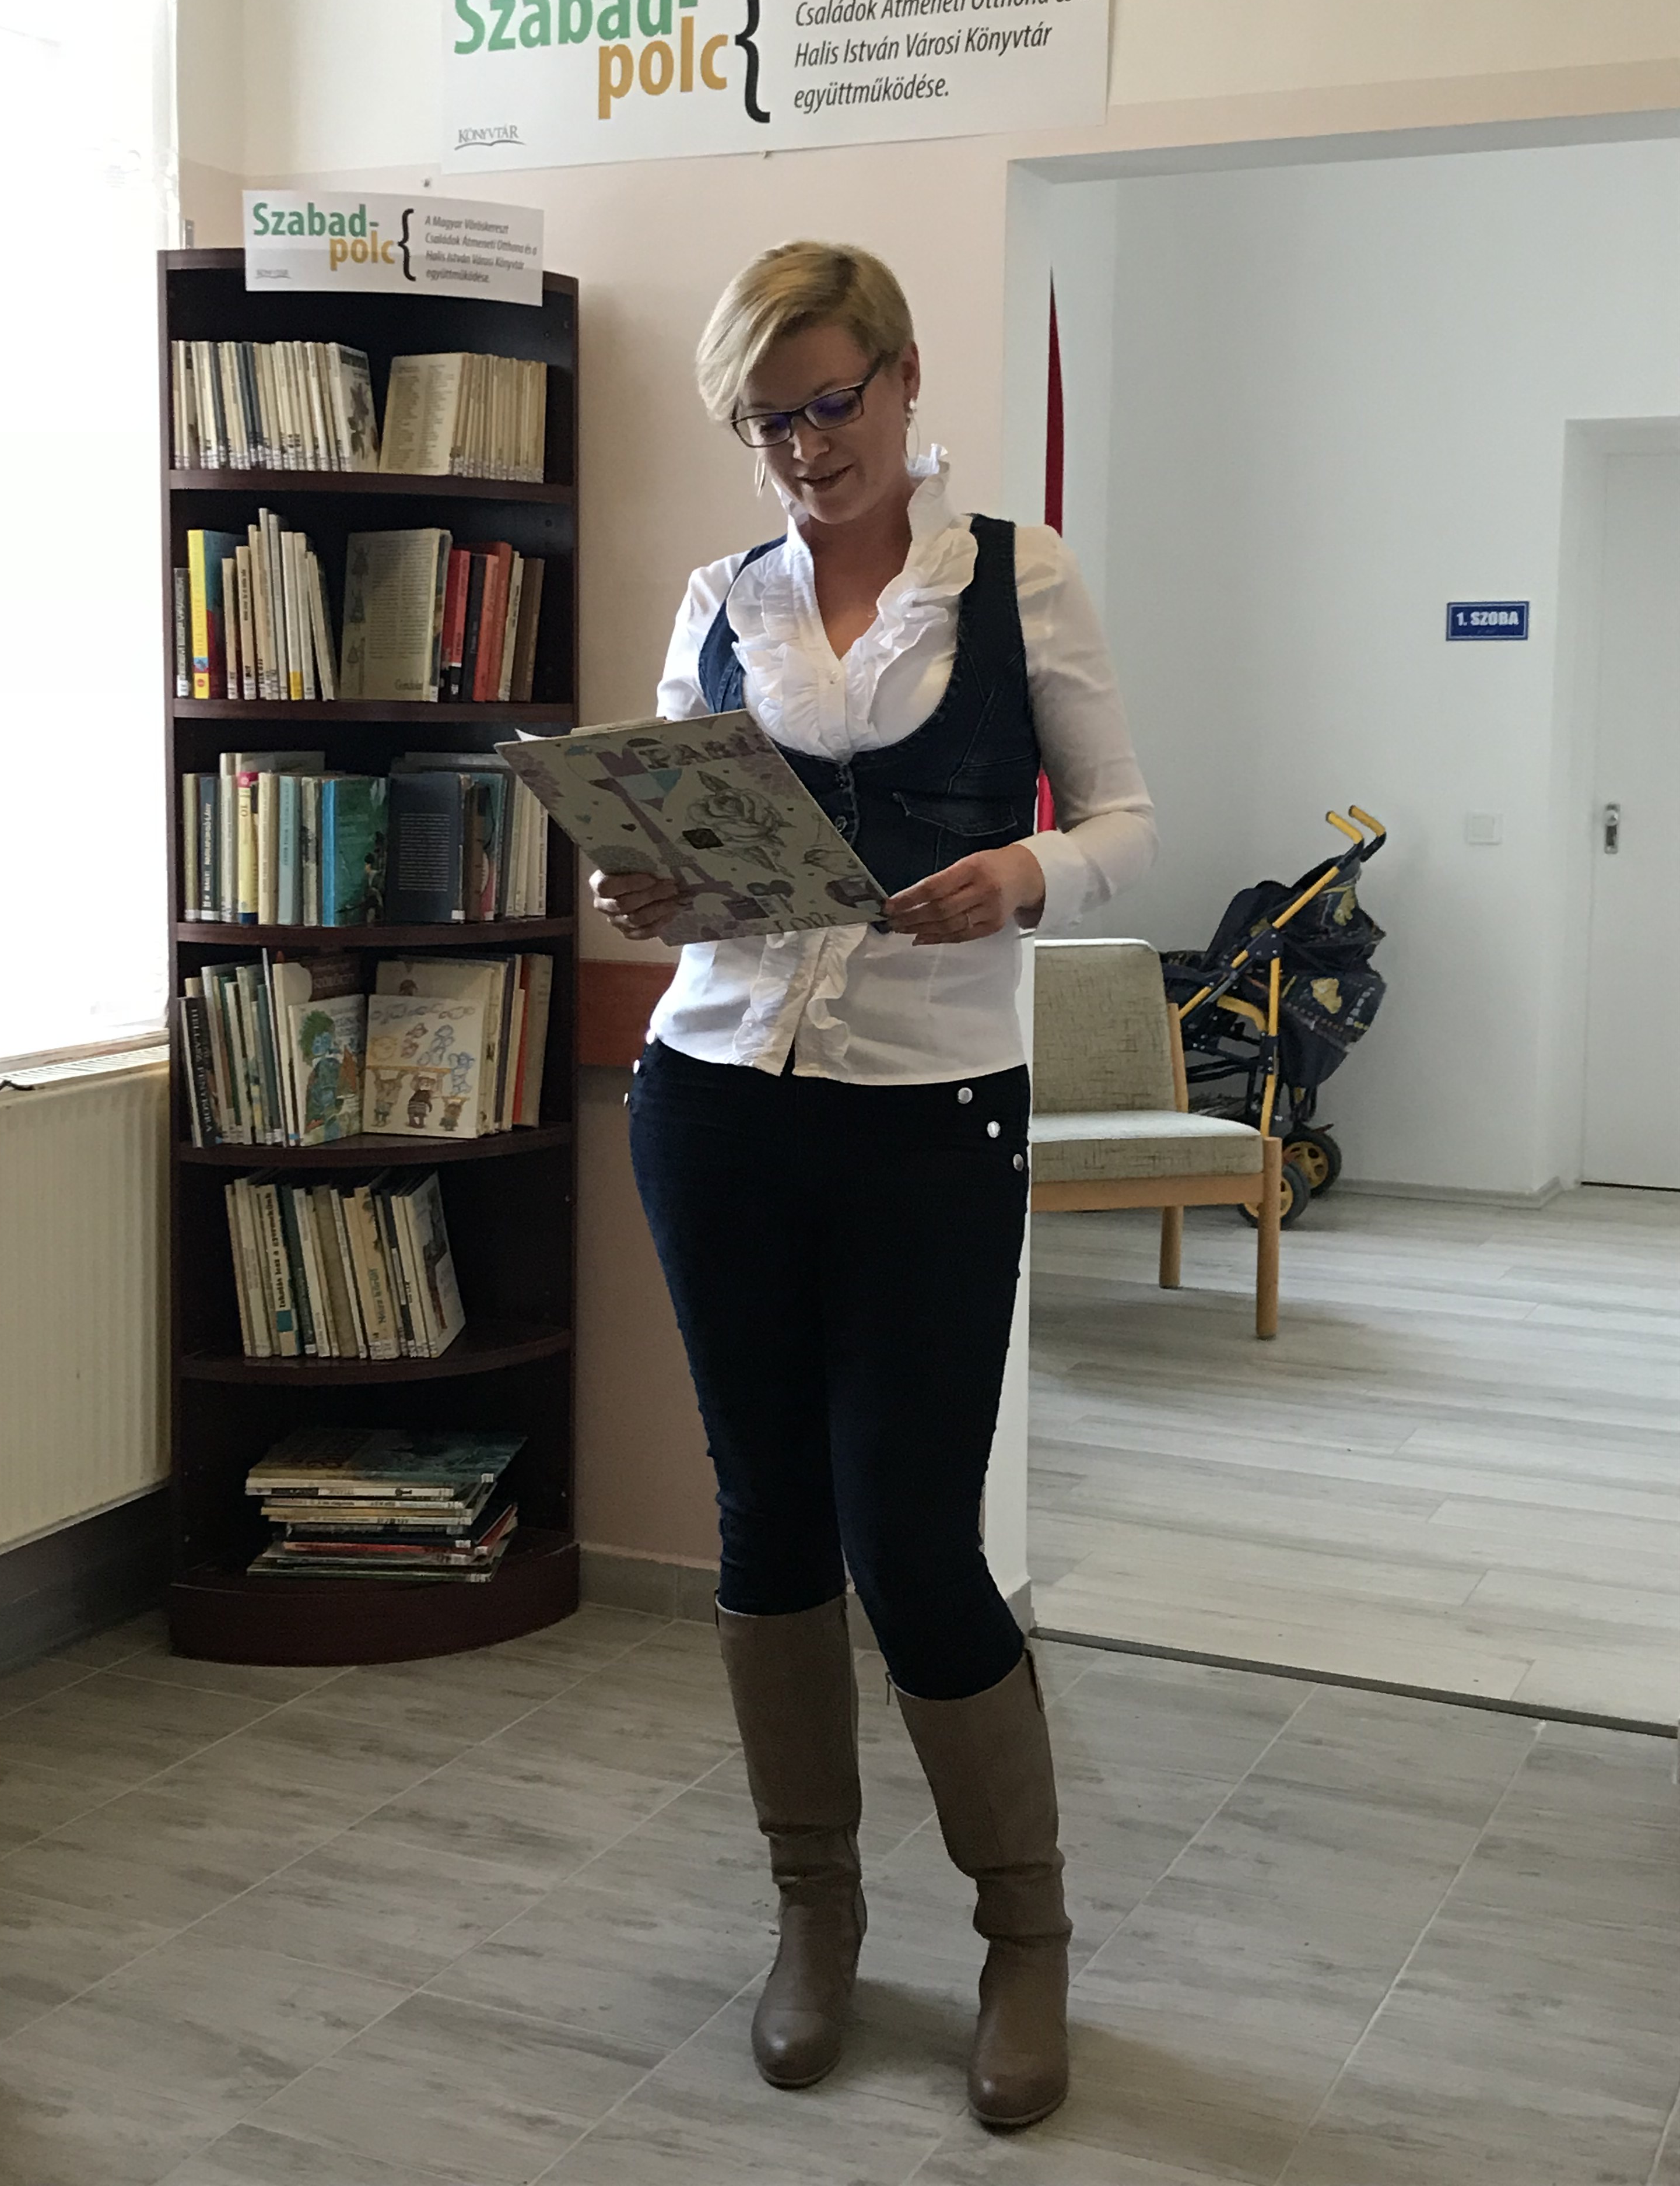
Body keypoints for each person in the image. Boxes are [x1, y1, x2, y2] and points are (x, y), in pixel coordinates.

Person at [595, 242, 1156, 2131]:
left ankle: (1026, 1938)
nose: (806, 447)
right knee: (767, 1526)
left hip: (931, 1116)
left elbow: (1129, 818)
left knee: (914, 1543)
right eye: (768, 421)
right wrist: (643, 888)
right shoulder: (722, 599)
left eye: (832, 403)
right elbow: (669, 839)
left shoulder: (1019, 576)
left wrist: (1031, 875)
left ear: (906, 381)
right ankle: (813, 1916)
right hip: (714, 1100)